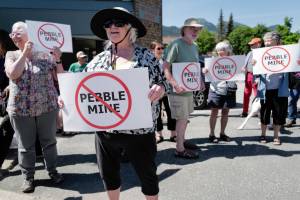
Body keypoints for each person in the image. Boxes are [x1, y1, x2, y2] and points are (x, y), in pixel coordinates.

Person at [82, 7, 166, 200]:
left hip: (139, 130)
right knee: (108, 174)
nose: (113, 26)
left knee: (148, 176)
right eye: (108, 24)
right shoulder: (97, 61)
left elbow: (162, 84)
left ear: (130, 28)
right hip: (106, 131)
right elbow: (81, 91)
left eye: (119, 23)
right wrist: (67, 100)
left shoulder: (146, 57)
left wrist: (160, 90)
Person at [5, 21, 64, 192]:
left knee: (49, 142)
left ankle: (53, 171)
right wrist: (25, 53)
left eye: (16, 33)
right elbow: (13, 73)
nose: (13, 36)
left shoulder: (45, 56)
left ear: (28, 34)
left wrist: (58, 58)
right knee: (25, 146)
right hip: (20, 109)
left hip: (47, 107)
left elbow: (61, 78)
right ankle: (28, 177)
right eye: (12, 34)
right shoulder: (12, 54)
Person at [163, 18, 205, 159]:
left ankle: (182, 141)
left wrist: (200, 80)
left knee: (185, 118)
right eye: (192, 28)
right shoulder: (176, 44)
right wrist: (174, 84)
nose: (195, 31)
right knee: (181, 118)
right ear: (184, 29)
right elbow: (165, 68)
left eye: (197, 29)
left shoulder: (195, 46)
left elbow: (194, 66)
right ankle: (179, 149)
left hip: (188, 89)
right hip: (177, 89)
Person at [253, 31, 289, 145]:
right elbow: (255, 73)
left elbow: (292, 69)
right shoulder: (260, 53)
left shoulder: (286, 53)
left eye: (270, 41)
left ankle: (276, 136)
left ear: (277, 42)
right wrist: (254, 65)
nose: (267, 43)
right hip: (265, 89)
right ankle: (263, 135)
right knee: (264, 114)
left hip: (280, 90)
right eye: (266, 42)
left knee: (278, 114)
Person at [203, 41, 236, 143]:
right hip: (216, 89)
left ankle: (222, 133)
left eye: (222, 50)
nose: (220, 52)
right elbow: (205, 70)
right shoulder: (212, 61)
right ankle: (212, 134)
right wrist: (204, 70)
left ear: (228, 51)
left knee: (225, 112)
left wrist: (244, 70)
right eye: (218, 50)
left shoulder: (235, 61)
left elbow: (241, 72)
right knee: (214, 112)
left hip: (229, 89)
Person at [150, 41, 176, 143]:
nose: (161, 50)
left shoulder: (166, 61)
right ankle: (159, 135)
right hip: (155, 92)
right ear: (152, 50)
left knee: (171, 112)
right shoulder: (150, 62)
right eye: (158, 48)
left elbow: (170, 75)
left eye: (162, 48)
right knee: (157, 113)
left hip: (167, 91)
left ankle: (173, 134)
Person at [0, 29, 17, 180]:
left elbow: (16, 77)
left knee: (6, 131)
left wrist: (9, 86)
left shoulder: (11, 56)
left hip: (8, 102)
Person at [240, 37, 262, 117]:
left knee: (257, 95)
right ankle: (244, 111)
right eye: (251, 45)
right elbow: (245, 64)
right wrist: (243, 67)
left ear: (258, 44)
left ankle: (258, 111)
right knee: (246, 94)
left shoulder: (261, 53)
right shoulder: (249, 53)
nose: (251, 46)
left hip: (257, 76)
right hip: (248, 75)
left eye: (253, 44)